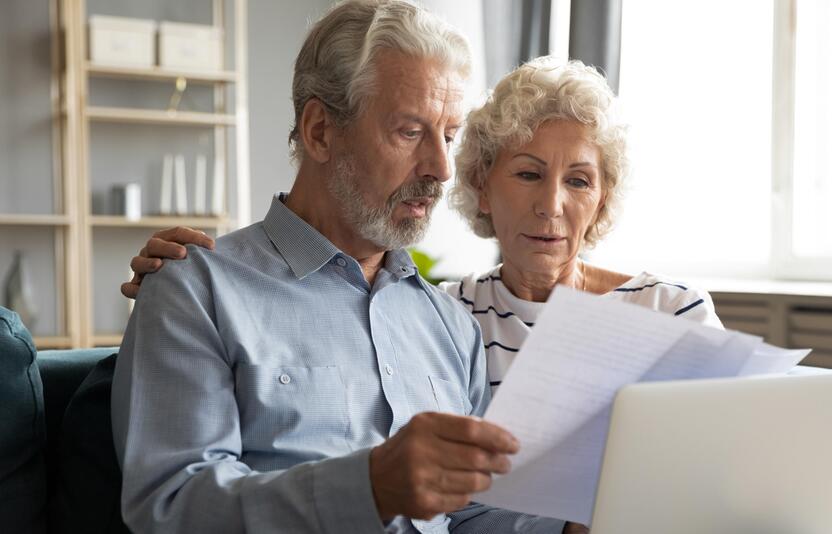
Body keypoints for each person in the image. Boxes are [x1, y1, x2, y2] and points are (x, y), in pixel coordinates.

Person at [111, 1, 573, 532]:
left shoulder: (450, 325)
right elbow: (171, 507)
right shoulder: (196, 290)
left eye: (447, 136)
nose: (441, 169)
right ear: (320, 132)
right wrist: (370, 487)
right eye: (409, 132)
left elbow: (464, 515)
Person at [124, 58, 724, 399]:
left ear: (603, 197)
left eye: (579, 181)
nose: (551, 205)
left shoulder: (672, 313)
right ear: (483, 186)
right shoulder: (441, 316)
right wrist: (200, 273)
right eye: (528, 173)